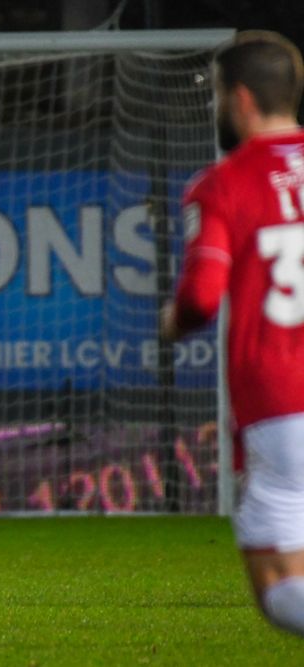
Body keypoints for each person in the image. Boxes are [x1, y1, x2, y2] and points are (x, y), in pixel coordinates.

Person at [161, 30, 304, 637]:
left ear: (240, 98)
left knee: (279, 586)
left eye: (218, 94)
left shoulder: (223, 184)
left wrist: (172, 323)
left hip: (282, 397)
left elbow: (200, 298)